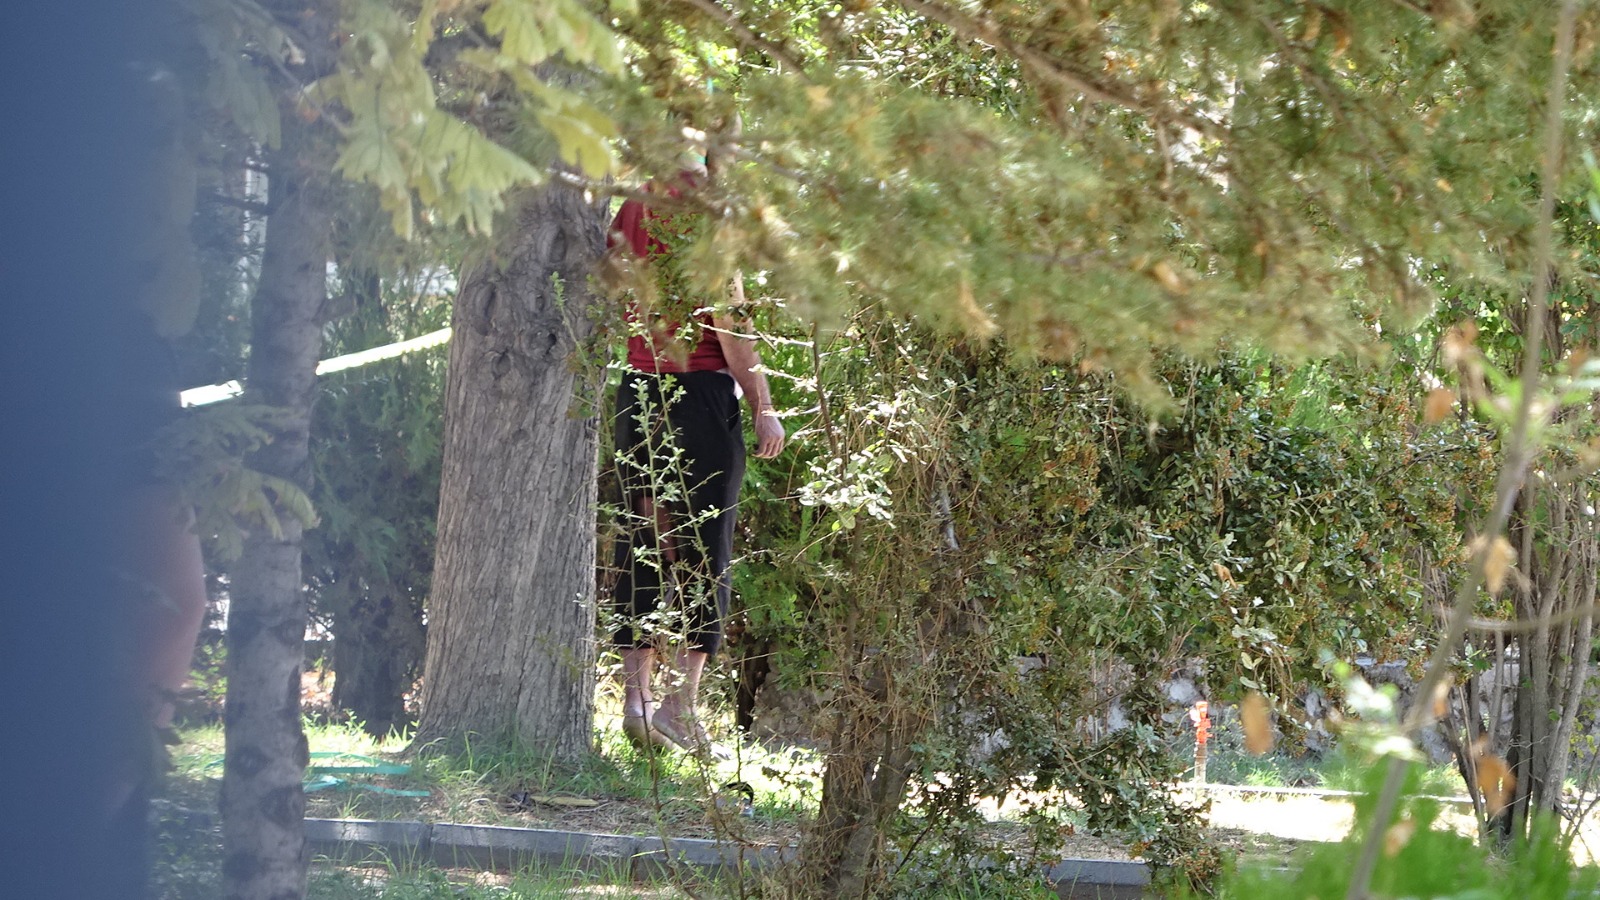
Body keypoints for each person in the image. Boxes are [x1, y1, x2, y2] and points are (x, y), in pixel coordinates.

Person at [606, 154, 784, 755]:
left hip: (637, 390)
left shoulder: (632, 201)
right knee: (708, 549)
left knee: (645, 542)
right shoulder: (708, 210)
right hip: (700, 395)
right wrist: (762, 402)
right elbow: (731, 330)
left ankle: (636, 699)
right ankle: (681, 705)